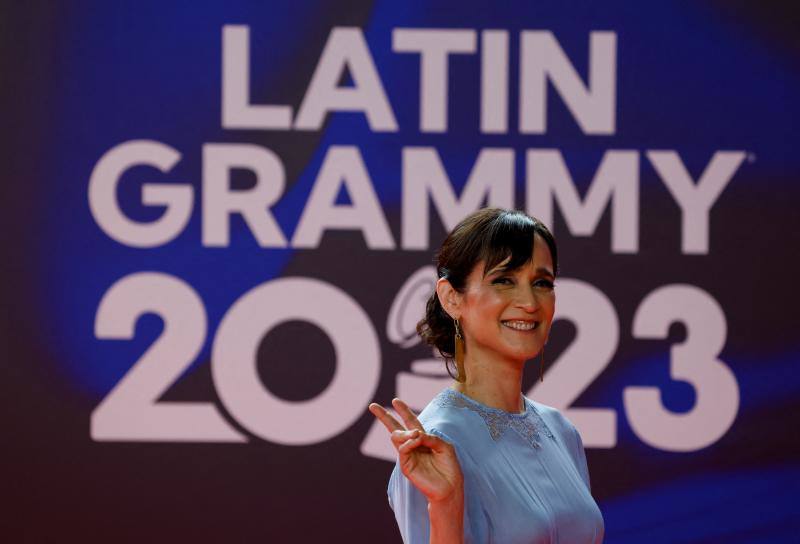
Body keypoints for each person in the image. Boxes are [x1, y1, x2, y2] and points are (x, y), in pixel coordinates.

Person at [369, 208, 604, 543]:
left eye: (542, 283)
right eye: (504, 280)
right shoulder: (435, 443)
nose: (529, 302)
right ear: (451, 297)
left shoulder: (561, 432)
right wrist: (446, 504)